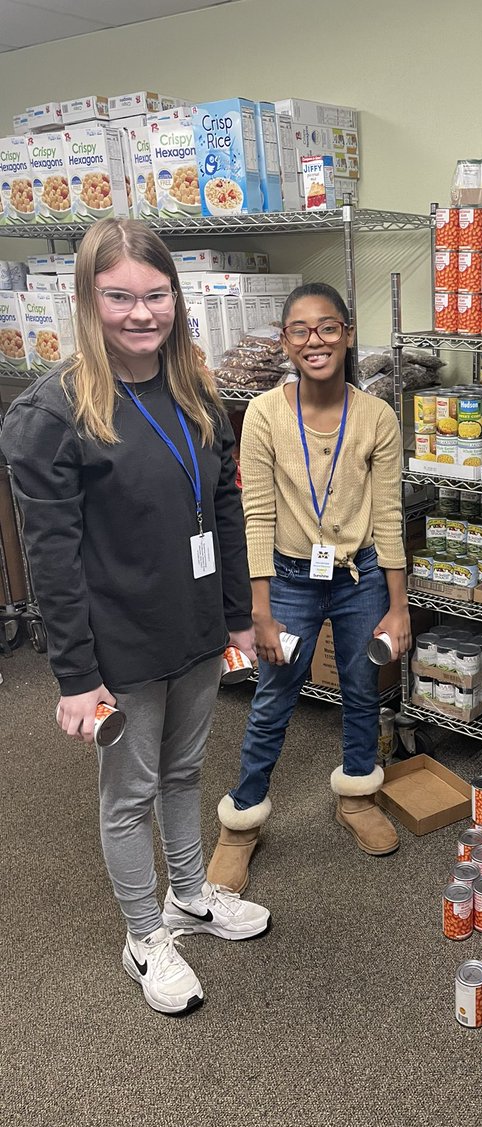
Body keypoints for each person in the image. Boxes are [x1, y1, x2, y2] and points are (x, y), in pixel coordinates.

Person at [0, 218, 270, 1016]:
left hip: (191, 627)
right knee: (129, 793)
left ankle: (190, 895)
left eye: (156, 295)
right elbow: (50, 556)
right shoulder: (53, 412)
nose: (141, 313)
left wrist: (234, 618)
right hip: (117, 643)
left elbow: (222, 507)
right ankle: (143, 933)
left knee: (185, 772)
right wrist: (76, 678)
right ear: (89, 299)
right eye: (120, 296)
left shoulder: (191, 386)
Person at [207, 282, 410, 893]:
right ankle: (240, 824)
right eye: (300, 330)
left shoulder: (377, 416)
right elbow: (259, 516)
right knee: (273, 699)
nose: (314, 340)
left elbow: (389, 516)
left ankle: (356, 795)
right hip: (291, 581)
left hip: (361, 576)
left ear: (348, 335)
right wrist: (259, 611)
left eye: (327, 327)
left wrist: (399, 607)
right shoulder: (266, 414)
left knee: (360, 690)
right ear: (286, 342)